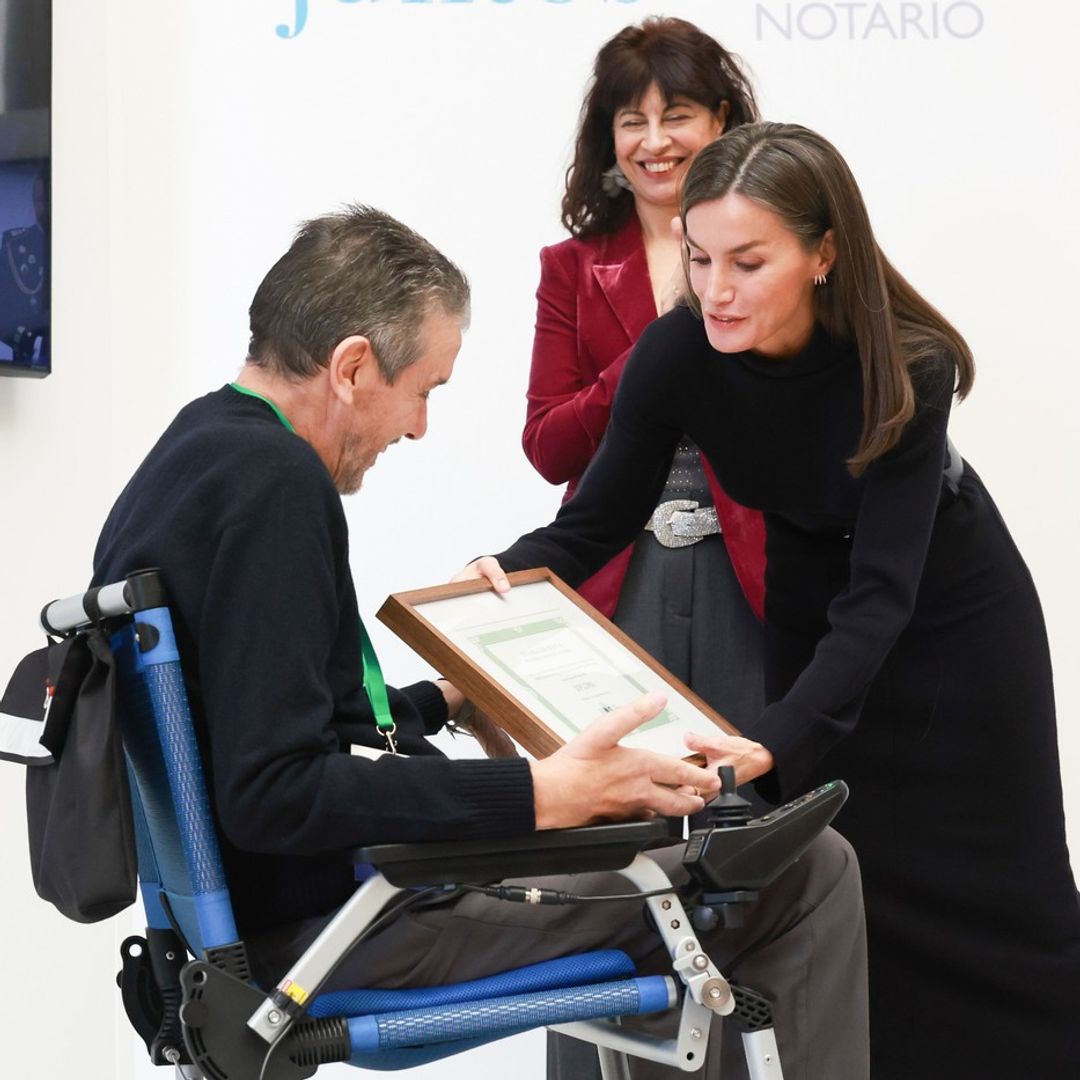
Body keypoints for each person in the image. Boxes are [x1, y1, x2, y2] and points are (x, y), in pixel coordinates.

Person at [90, 205, 869, 1079]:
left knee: (696, 854)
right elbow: (276, 791)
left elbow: (261, 720)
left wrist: (444, 700)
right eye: (423, 390)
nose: (417, 427)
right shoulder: (276, 486)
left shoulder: (197, 448)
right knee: (807, 870)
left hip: (278, 918)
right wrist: (539, 793)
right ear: (352, 367)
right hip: (352, 928)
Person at [464, 123, 1080, 1078]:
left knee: (997, 902)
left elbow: (882, 598)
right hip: (813, 613)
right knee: (846, 889)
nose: (715, 289)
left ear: (823, 253)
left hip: (950, 624)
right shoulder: (678, 354)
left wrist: (776, 739)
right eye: (700, 257)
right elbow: (594, 522)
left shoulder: (906, 367)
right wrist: (495, 579)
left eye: (748, 263)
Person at [524, 17, 766, 732]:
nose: (654, 143)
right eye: (634, 121)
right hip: (618, 570)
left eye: (678, 116)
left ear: (721, 120)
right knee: (629, 797)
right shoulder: (568, 269)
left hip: (755, 568)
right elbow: (548, 446)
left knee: (754, 796)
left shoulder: (774, 252)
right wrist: (657, 350)